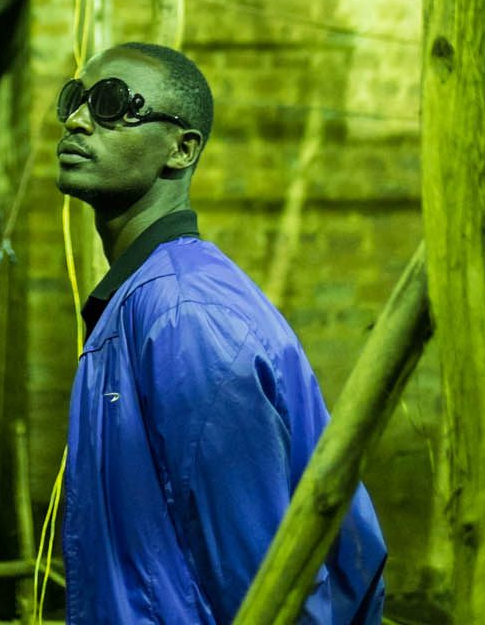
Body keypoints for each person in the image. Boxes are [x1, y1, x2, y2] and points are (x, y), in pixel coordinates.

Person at [56, 40, 386, 625]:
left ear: (181, 149)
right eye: (76, 100)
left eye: (111, 104)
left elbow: (261, 581)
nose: (79, 119)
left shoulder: (184, 316)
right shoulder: (145, 300)